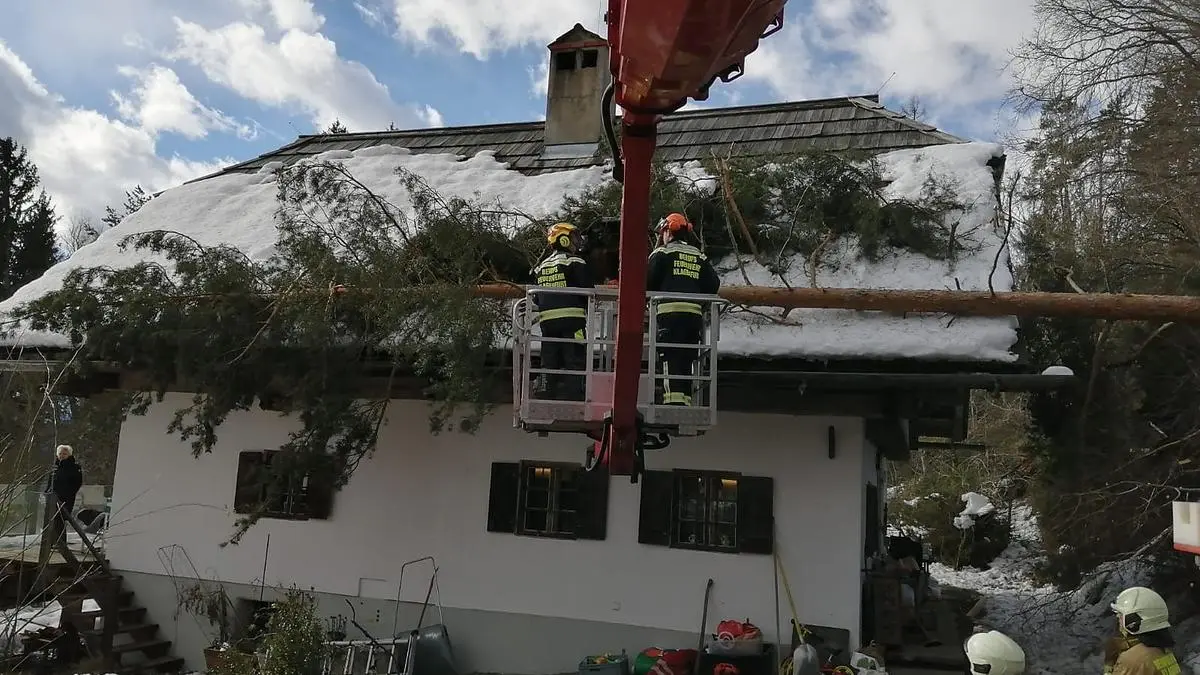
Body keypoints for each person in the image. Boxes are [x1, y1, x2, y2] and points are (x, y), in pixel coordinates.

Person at [646, 212, 720, 406]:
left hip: (668, 315)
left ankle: (672, 401)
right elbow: (713, 284)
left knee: (670, 356)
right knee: (687, 357)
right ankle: (685, 401)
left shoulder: (661, 254)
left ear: (668, 232)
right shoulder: (699, 255)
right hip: (693, 317)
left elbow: (647, 281)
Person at [531, 222, 594, 400]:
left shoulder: (541, 266)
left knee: (549, 359)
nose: (576, 242)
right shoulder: (575, 262)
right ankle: (574, 394)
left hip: (547, 323)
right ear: (564, 239)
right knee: (573, 358)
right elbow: (589, 290)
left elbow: (536, 297)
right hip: (573, 321)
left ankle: (544, 390)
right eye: (573, 237)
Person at [1104, 586, 1181, 675]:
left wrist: (1109, 665)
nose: (1118, 618)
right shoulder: (1164, 651)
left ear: (1134, 621)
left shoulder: (1132, 660)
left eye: (1121, 614)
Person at [47, 444, 83, 518]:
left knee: (60, 520)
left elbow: (77, 484)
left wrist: (65, 495)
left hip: (65, 501)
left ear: (69, 455)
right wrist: (46, 493)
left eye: (64, 454)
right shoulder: (55, 468)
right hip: (52, 500)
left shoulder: (74, 468)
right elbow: (50, 483)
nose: (62, 456)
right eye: (60, 453)